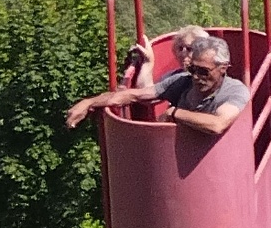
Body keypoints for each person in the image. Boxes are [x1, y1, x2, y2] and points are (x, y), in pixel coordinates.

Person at [68, 25, 249, 142]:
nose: (195, 77)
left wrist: (174, 113)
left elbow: (217, 124)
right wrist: (89, 102)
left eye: (203, 71)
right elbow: (133, 95)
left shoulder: (235, 91)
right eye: (192, 69)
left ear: (223, 69)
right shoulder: (181, 81)